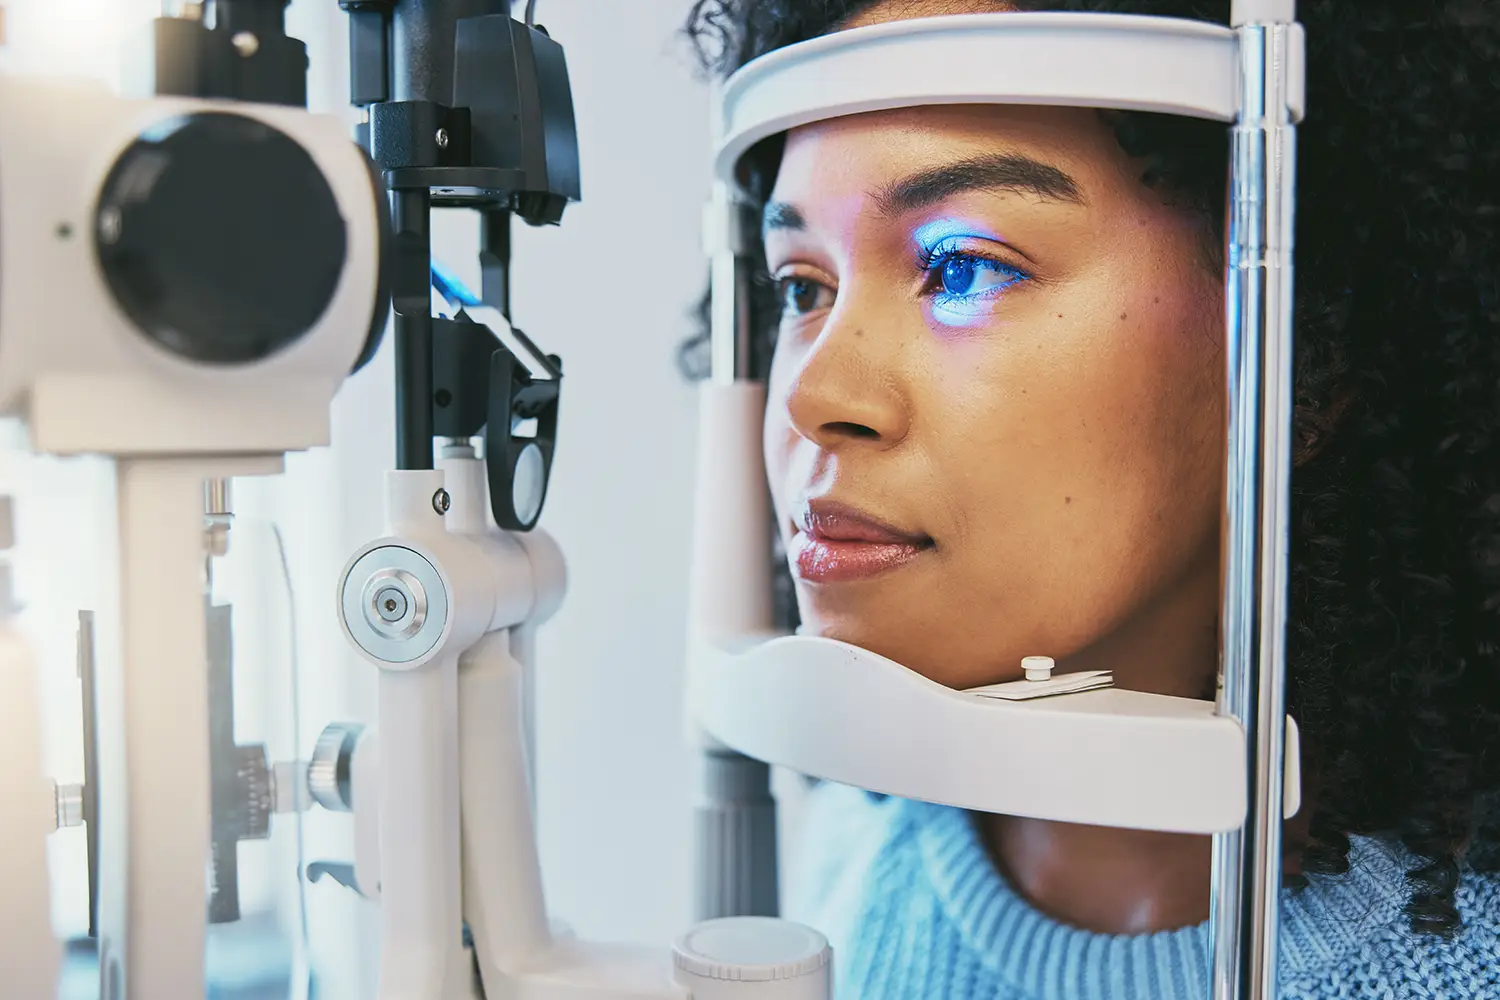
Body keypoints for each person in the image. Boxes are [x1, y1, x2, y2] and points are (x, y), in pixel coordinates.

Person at [679, 1, 1500, 997]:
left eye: (961, 267)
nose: (812, 397)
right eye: (803, 285)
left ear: (1302, 353)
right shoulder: (854, 856)